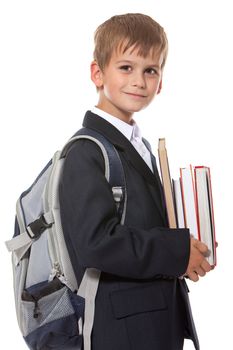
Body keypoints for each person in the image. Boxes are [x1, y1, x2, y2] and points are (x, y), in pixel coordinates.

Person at [59, 13, 213, 350]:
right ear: (97, 73)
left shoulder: (140, 146)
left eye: (150, 70)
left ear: (161, 82)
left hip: (153, 323)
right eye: (126, 68)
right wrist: (175, 251)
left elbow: (142, 229)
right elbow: (96, 242)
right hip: (122, 333)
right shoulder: (86, 151)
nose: (139, 81)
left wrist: (188, 253)